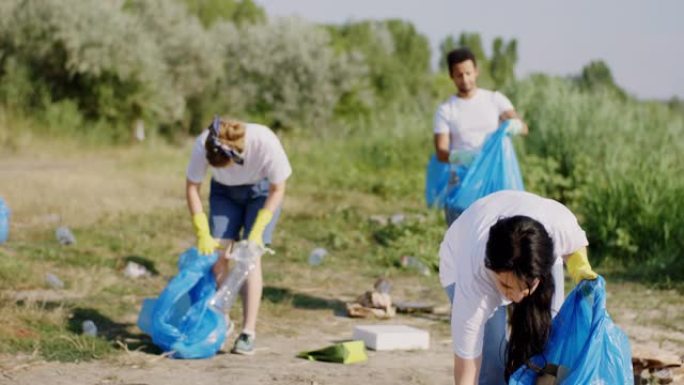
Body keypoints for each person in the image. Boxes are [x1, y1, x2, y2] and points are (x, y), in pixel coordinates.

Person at [439, 190, 598, 385]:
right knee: (491, 366)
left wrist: (581, 270)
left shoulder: (557, 227)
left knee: (550, 344)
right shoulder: (473, 284)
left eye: (525, 287)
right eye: (506, 285)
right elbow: (467, 370)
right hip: (458, 258)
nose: (516, 297)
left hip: (533, 254)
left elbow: (574, 247)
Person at [185, 116, 292, 355]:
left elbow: (279, 188)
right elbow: (192, 186)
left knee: (249, 259)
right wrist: (202, 231)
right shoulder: (204, 143)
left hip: (262, 192)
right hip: (224, 194)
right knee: (218, 255)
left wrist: (256, 232)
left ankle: (247, 332)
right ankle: (220, 323)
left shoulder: (265, 141)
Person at [433, 47, 528, 225]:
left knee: (499, 229)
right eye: (459, 75)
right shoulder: (446, 110)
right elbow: (441, 151)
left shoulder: (495, 100)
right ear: (451, 76)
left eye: (468, 73)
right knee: (461, 230)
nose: (465, 79)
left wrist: (514, 126)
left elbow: (523, 127)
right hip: (462, 178)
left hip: (493, 175)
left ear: (476, 71)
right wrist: (461, 156)